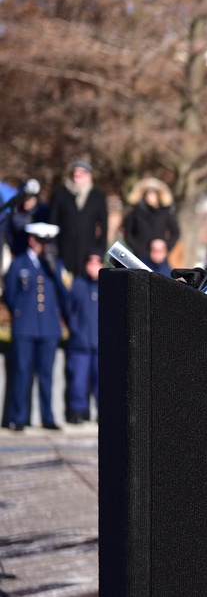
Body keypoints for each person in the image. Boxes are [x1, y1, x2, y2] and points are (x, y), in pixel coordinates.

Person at [3, 223, 70, 431]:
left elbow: (64, 294)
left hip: (49, 327)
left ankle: (48, 417)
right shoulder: (19, 263)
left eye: (49, 242)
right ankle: (19, 418)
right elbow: (10, 295)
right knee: (22, 373)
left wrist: (53, 269)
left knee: (46, 375)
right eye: (43, 242)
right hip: (25, 327)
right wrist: (21, 314)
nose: (46, 246)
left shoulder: (54, 264)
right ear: (32, 240)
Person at [48, 159, 108, 277]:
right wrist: (52, 246)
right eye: (75, 172)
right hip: (64, 251)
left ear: (89, 176)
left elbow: (104, 226)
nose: (77, 175)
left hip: (87, 252)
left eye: (81, 172)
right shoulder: (61, 194)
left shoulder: (98, 196)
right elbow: (52, 222)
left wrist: (99, 251)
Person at [64, 251, 102, 424]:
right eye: (90, 262)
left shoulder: (107, 284)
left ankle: (103, 412)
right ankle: (77, 412)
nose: (93, 266)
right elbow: (67, 309)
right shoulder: (77, 284)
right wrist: (75, 329)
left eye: (97, 262)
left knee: (102, 382)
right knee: (77, 381)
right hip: (80, 343)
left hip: (101, 343)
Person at [122, 177, 180, 264]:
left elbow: (175, 233)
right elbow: (128, 234)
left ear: (158, 196)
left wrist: (165, 249)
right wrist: (138, 249)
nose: (150, 197)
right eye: (148, 194)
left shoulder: (166, 213)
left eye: (153, 194)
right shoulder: (135, 213)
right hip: (140, 257)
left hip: (160, 259)